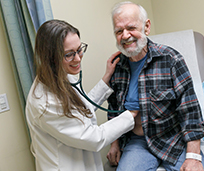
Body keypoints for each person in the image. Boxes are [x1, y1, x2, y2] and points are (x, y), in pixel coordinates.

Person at [106, 1, 204, 171]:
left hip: (173, 139)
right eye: (119, 31)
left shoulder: (171, 59)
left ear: (146, 27)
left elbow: (190, 111)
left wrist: (193, 156)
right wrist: (114, 145)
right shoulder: (117, 67)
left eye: (131, 28)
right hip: (138, 143)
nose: (125, 36)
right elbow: (113, 110)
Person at [25, 19, 139, 171]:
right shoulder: (45, 103)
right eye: (69, 54)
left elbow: (81, 108)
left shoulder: (63, 75)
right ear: (51, 58)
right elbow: (94, 138)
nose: (78, 59)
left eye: (79, 49)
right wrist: (131, 114)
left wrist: (106, 79)